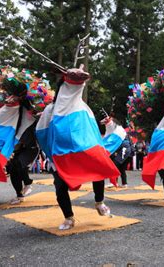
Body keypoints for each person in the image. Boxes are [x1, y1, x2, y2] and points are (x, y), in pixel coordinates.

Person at [36, 65, 119, 230]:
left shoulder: (83, 108)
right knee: (60, 185)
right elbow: (41, 132)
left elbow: (93, 130)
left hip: (85, 150)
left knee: (98, 170)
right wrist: (51, 155)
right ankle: (69, 218)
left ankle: (99, 202)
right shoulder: (50, 110)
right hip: (61, 154)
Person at [7, 122, 39, 204]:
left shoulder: (29, 119)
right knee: (13, 170)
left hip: (31, 147)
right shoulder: (10, 122)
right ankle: (19, 196)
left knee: (19, 163)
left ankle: (27, 183)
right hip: (18, 149)